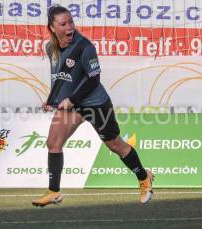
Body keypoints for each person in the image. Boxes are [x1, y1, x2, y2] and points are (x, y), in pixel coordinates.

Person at [31, 5, 154, 207]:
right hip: (73, 105)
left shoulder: (84, 47)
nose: (69, 27)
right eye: (63, 24)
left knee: (115, 145)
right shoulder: (49, 48)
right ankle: (54, 192)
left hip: (96, 103)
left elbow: (93, 79)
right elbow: (61, 77)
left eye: (71, 22)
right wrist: (53, 99)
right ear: (52, 27)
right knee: (53, 142)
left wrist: (71, 100)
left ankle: (143, 177)